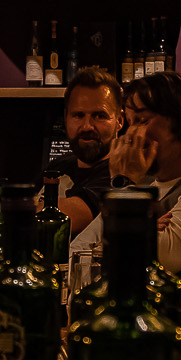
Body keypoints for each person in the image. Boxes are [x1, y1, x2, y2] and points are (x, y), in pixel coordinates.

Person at [70, 71, 181, 333]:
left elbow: (133, 262)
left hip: (179, 345)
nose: (130, 134)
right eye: (129, 122)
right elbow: (77, 254)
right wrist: (142, 227)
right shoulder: (149, 189)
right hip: (127, 335)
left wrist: (123, 185)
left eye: (141, 120)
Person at [50, 66, 124, 235]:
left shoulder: (120, 175)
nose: (87, 126)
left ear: (119, 121)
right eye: (78, 115)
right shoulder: (59, 165)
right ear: (66, 117)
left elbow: (64, 219)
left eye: (99, 116)